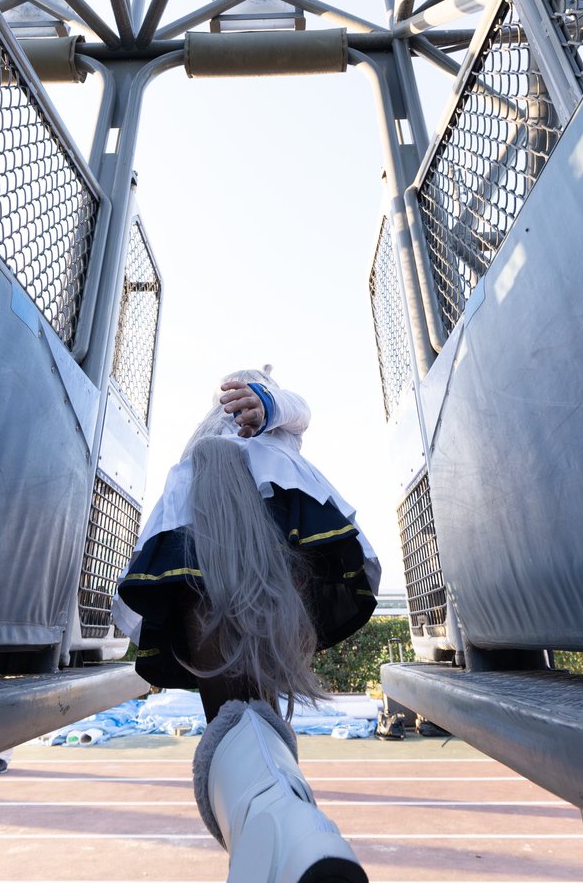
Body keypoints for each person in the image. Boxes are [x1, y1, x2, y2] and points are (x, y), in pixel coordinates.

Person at [114, 367, 379, 883]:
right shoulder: (226, 446)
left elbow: (297, 409)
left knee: (232, 703)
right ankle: (293, 828)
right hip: (245, 523)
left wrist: (267, 401)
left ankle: (277, 830)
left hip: (235, 524)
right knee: (253, 694)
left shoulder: (257, 427)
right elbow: (296, 412)